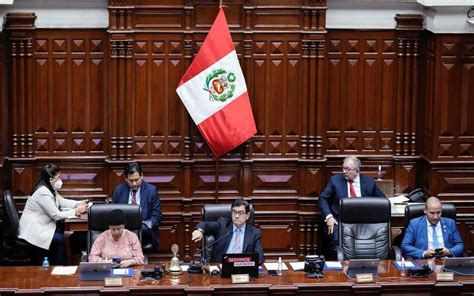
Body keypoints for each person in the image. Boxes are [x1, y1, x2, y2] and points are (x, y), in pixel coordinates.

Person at [18, 163, 88, 265]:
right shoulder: (43, 192)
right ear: (51, 179)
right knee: (59, 239)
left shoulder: (49, 188)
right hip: (34, 231)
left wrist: (78, 203)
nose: (60, 180)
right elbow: (56, 215)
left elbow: (62, 201)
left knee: (64, 237)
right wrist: (76, 211)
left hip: (42, 226)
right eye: (58, 177)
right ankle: (60, 269)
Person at [318, 156, 386, 258]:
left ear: (357, 170)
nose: (344, 172)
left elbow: (382, 201)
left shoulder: (369, 182)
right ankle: (337, 266)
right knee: (337, 238)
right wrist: (329, 217)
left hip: (363, 222)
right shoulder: (335, 180)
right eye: (343, 168)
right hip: (339, 221)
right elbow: (323, 198)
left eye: (348, 169)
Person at [191, 199, 264, 265]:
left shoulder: (254, 233)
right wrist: (199, 231)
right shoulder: (223, 225)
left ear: (247, 215)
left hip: (242, 269)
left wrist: (242, 263)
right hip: (220, 269)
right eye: (234, 212)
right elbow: (205, 225)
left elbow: (260, 258)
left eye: (241, 213)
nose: (237, 216)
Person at [112, 162, 162, 252]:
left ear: (142, 176)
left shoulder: (151, 191)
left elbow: (157, 217)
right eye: (131, 181)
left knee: (141, 230)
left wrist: (144, 225)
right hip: (123, 230)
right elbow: (113, 214)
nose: (134, 183)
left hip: (144, 232)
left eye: (137, 179)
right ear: (126, 178)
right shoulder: (119, 190)